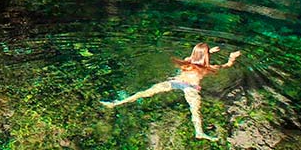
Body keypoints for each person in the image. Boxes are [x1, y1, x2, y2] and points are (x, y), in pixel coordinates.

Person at [101, 43, 241, 141]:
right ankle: (199, 132)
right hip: (190, 88)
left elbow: (196, 59)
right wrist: (232, 57)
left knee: (143, 93)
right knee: (195, 110)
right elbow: (226, 66)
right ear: (206, 57)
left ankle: (117, 103)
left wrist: (207, 52)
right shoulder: (208, 68)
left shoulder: (186, 62)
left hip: (176, 82)